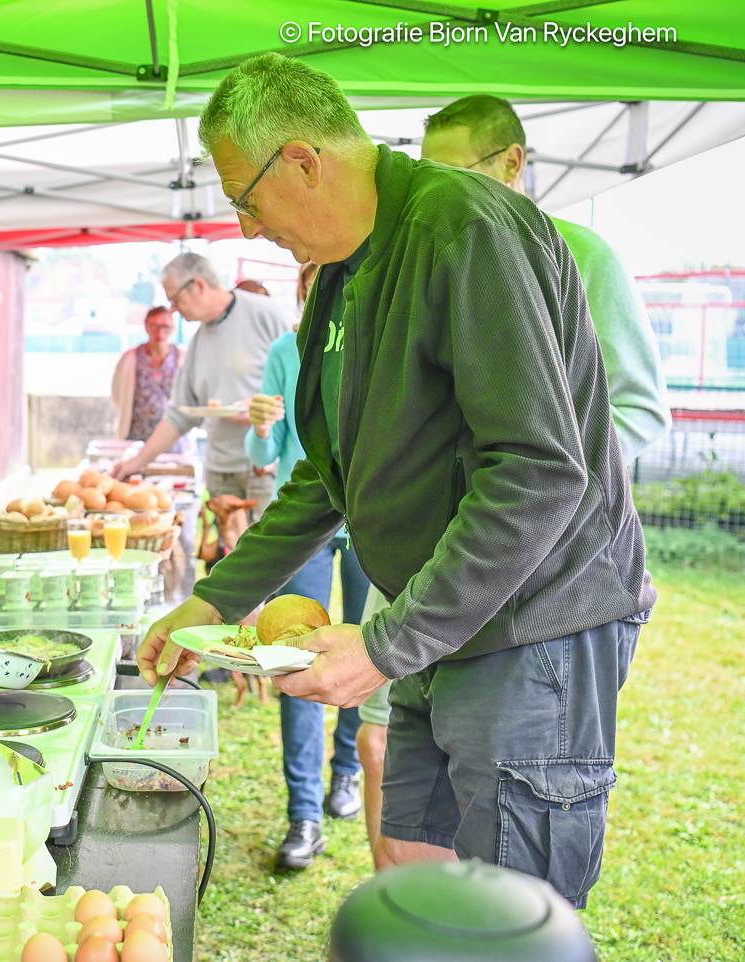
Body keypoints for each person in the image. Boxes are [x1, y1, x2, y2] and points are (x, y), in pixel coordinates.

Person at [138, 54, 653, 909]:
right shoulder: (346, 272)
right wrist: (213, 601)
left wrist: (383, 646)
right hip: (441, 624)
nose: (247, 228)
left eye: (245, 197)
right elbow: (330, 475)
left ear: (301, 160)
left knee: (513, 910)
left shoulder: (463, 230)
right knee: (413, 851)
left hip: (533, 629)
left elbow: (538, 472)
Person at [420, 95, 670, 463]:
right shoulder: (437, 261)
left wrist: (542, 477)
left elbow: (639, 409)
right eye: (428, 176)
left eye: (456, 174)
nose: (438, 191)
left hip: (556, 514)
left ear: (511, 162)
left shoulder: (586, 257)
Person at [245, 270, 370, 871]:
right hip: (306, 524)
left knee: (367, 652)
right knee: (294, 659)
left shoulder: (377, 340)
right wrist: (262, 425)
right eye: (315, 283)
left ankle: (346, 772)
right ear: (303, 294)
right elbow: (264, 455)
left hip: (373, 522)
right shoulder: (284, 352)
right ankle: (304, 814)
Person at [112, 253, 289, 525]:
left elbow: (302, 385)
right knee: (230, 559)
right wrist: (135, 463)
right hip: (220, 471)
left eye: (175, 300)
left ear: (198, 285)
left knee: (271, 562)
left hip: (264, 470)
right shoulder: (198, 342)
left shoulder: (265, 314)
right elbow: (179, 415)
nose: (173, 310)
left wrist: (263, 412)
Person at [111, 305, 184, 445]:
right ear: (146, 326)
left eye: (165, 327)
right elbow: (117, 395)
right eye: (155, 326)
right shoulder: (130, 358)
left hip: (173, 436)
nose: (160, 333)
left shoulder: (182, 358)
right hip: (136, 434)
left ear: (173, 328)